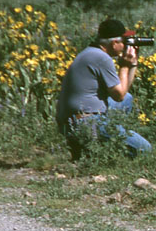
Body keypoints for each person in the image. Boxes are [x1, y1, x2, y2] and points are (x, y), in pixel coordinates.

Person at [55, 18, 151, 160]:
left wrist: (133, 64)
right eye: (124, 42)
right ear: (114, 43)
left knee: (128, 98)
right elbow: (118, 95)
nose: (125, 45)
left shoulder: (91, 52)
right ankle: (103, 149)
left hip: (73, 120)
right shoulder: (102, 58)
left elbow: (123, 93)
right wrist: (124, 66)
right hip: (85, 122)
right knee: (145, 150)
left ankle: (108, 142)